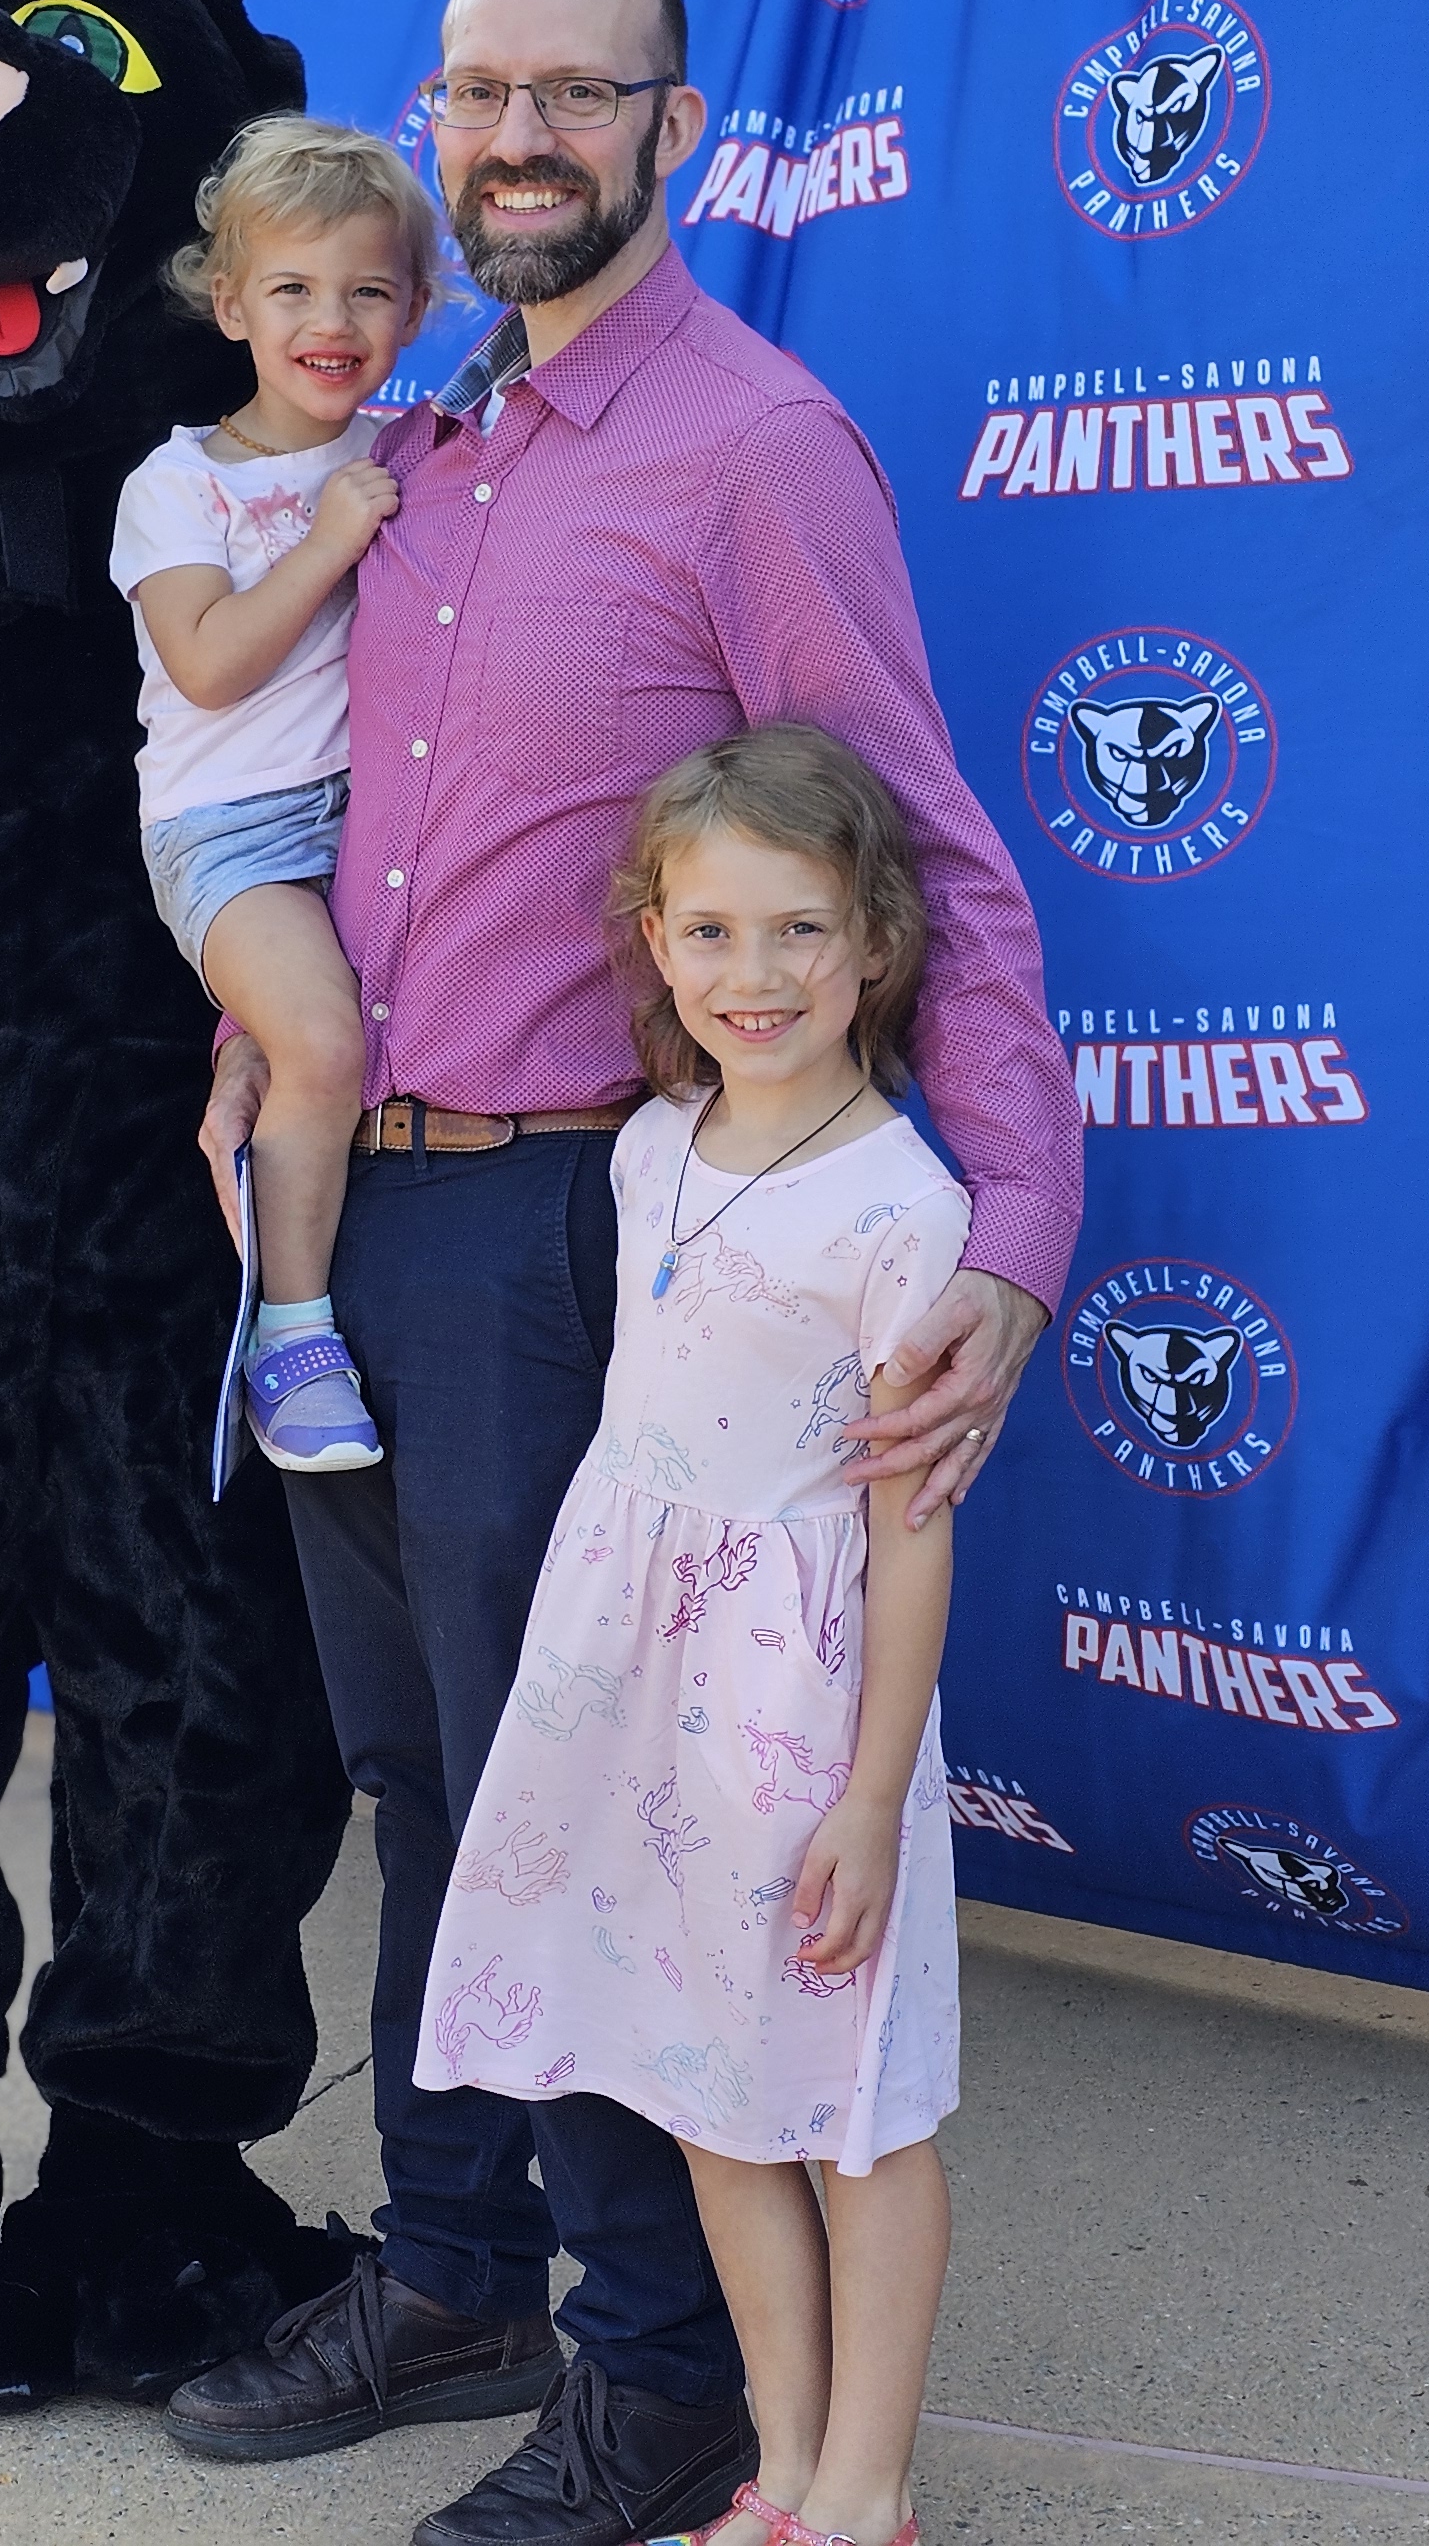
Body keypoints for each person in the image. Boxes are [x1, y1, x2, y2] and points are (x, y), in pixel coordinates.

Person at [168, 0, 1081, 2546]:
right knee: (417, 1771)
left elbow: (933, 870)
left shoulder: (753, 452)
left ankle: (662, 2375)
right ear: (429, 131)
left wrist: (1010, 1242)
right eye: (479, 95)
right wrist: (256, 1056)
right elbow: (345, 813)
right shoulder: (422, 451)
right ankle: (454, 2251)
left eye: (578, 93)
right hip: (355, 1225)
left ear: (675, 128)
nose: (521, 138)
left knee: (578, 1795)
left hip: (579, 1240)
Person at [418, 726, 967, 2546]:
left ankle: (871, 2492)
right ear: (652, 939)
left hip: (798, 1706)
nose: (757, 975)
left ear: (874, 943)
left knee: (848, 2109)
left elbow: (907, 1531)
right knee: (710, 2094)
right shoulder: (652, 1153)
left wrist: (873, 1795)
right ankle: (787, 2474)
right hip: (637, 1683)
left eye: (800, 931)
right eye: (714, 930)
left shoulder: (903, 1208)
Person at [113, 118, 435, 1470]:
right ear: (231, 302)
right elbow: (210, 663)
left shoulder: (421, 445)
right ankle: (290, 1342)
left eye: (369, 289)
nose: (334, 318)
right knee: (318, 1038)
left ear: (416, 308)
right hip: (228, 831)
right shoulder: (178, 484)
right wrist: (332, 536)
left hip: (378, 816)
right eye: (295, 289)